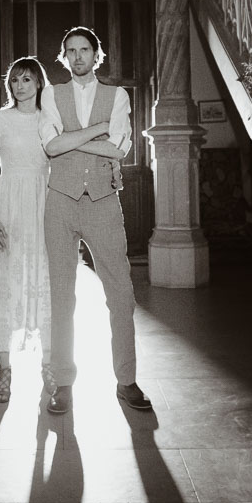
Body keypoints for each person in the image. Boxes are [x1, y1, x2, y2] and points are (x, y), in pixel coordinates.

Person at [38, 26, 151, 415]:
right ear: (64, 57)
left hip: (104, 202)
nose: (78, 56)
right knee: (61, 296)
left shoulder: (117, 95)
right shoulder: (51, 94)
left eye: (85, 49)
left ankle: (127, 380)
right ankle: (63, 382)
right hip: (61, 202)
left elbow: (120, 148)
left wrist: (73, 137)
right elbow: (49, 145)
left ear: (96, 55)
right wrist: (97, 130)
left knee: (121, 295)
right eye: (71, 51)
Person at [0, 56, 60, 404]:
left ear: (39, 83)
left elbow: (63, 163)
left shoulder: (51, 119)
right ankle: (4, 369)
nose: (19, 86)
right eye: (14, 80)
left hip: (45, 206)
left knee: (47, 283)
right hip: (8, 208)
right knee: (6, 282)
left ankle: (48, 365)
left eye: (26, 79)